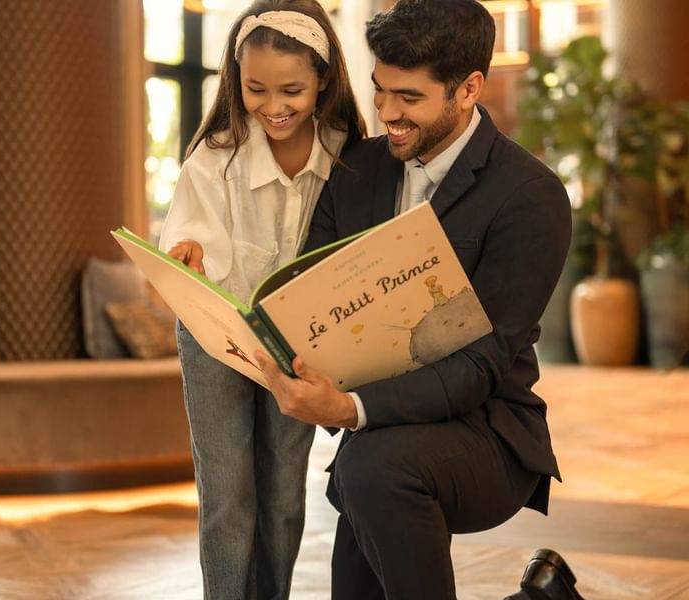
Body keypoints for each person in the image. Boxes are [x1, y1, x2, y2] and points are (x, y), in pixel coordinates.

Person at [255, 1, 585, 599]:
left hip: (486, 433)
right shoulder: (356, 168)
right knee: (368, 472)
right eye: (380, 91)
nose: (385, 114)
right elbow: (311, 297)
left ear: (468, 90)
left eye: (408, 97)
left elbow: (481, 366)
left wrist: (349, 409)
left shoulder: (530, 197)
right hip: (379, 438)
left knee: (371, 467)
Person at [158, 1, 366, 599]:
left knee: (281, 491)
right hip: (215, 338)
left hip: (296, 343)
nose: (273, 106)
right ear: (235, 79)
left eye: (292, 90)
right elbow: (184, 238)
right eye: (256, 89)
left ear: (323, 81)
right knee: (226, 494)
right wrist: (187, 252)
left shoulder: (347, 152)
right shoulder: (214, 156)